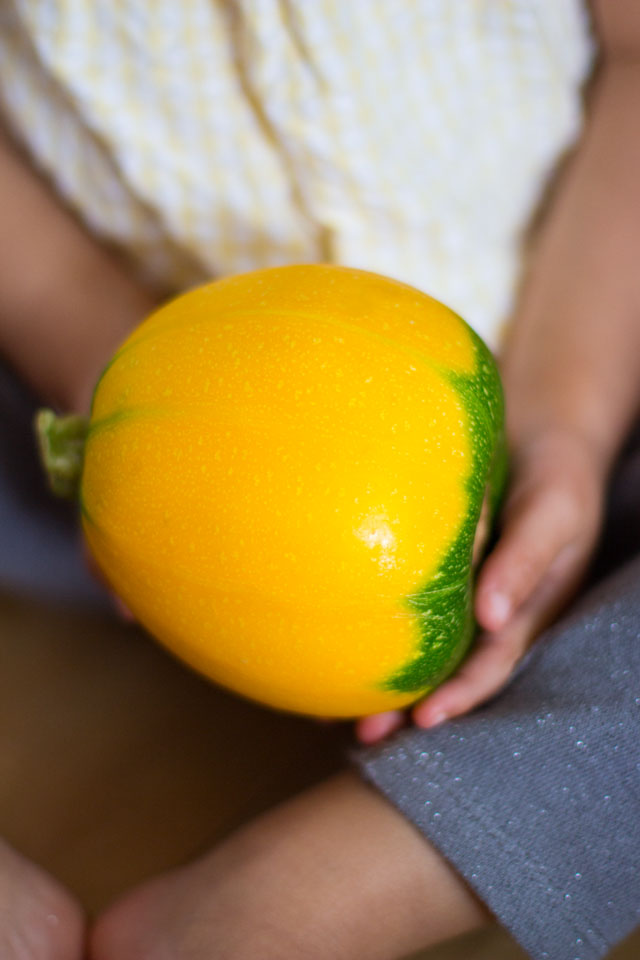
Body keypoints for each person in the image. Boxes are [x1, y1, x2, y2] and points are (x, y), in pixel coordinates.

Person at [1, 1, 639, 958]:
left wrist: (570, 422)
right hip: (83, 414)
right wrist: (109, 373)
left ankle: (353, 881)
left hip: (581, 366)